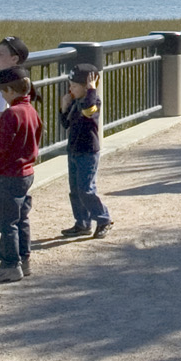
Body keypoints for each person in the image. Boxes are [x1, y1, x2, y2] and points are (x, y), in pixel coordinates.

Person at [0, 66, 41, 283]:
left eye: (2, 92)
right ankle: (24, 260)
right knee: (21, 218)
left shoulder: (10, 114)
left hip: (8, 173)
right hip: (26, 171)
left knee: (7, 222)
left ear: (9, 91)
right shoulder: (32, 111)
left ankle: (9, 265)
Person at [59, 63, 112, 237]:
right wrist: (63, 108)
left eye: (74, 86)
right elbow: (66, 124)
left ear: (86, 86)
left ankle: (103, 218)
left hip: (88, 152)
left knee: (86, 189)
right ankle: (82, 222)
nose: (71, 89)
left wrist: (91, 90)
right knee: (75, 190)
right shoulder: (75, 102)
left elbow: (89, 112)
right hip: (73, 150)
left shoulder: (93, 101)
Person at [0, 35, 30, 133]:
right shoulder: (16, 80)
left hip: (0, 132)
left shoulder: (6, 83)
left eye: (1, 54)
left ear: (14, 59)